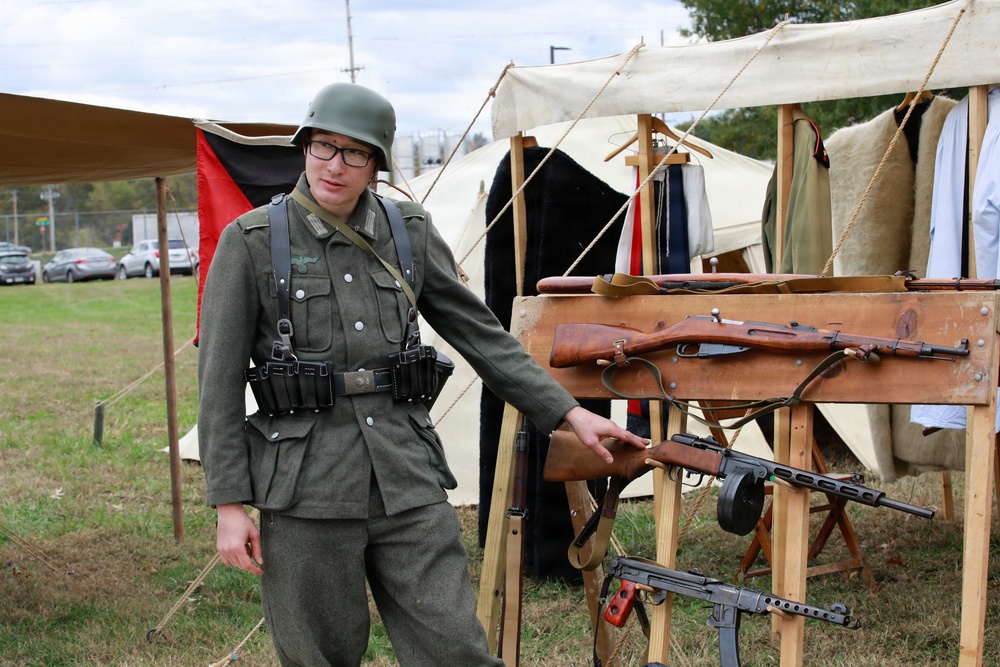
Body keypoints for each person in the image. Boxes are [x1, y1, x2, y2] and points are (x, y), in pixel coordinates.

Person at [196, 81, 647, 667]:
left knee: (454, 648)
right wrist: (229, 504)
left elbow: (481, 335)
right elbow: (220, 383)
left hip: (406, 476)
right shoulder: (252, 241)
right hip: (306, 488)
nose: (335, 166)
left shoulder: (406, 229)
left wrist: (568, 413)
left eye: (354, 152)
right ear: (304, 148)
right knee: (318, 656)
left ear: (377, 163)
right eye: (322, 147)